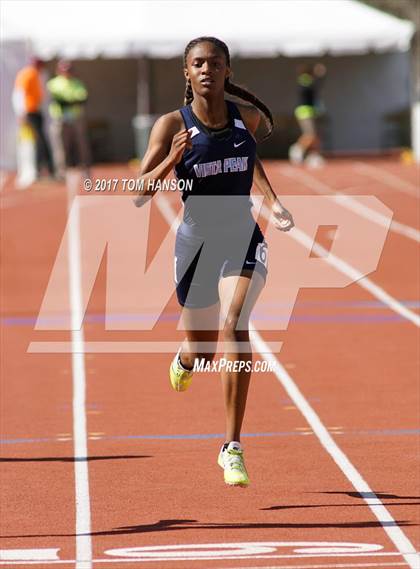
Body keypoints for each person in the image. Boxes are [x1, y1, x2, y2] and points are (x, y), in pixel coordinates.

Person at [134, 37, 294, 487]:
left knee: (235, 324)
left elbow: (250, 158)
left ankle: (232, 447)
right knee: (204, 349)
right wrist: (171, 159)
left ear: (228, 71)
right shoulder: (170, 125)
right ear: (187, 73)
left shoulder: (248, 118)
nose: (207, 69)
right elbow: (138, 194)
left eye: (215, 63)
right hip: (196, 243)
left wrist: (274, 202)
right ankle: (186, 359)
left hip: (242, 236)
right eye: (198, 63)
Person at [47, 60, 91, 177]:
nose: (67, 72)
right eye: (64, 69)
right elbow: (56, 100)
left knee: (81, 145)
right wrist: (70, 101)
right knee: (61, 147)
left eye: (69, 69)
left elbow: (82, 99)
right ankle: (61, 171)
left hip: (76, 118)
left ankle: (85, 169)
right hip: (60, 119)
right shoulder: (53, 84)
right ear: (59, 70)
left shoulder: (77, 83)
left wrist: (67, 102)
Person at [13, 57, 55, 178]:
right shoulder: (28, 74)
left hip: (35, 110)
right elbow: (19, 93)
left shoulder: (36, 74)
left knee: (40, 140)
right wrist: (21, 112)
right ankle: (40, 169)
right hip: (30, 112)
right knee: (37, 140)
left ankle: (42, 168)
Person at [289, 63, 327, 167]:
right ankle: (297, 149)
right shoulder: (305, 79)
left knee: (315, 136)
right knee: (310, 134)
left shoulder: (309, 80)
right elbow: (312, 87)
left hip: (311, 111)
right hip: (304, 112)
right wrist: (319, 76)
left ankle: (313, 156)